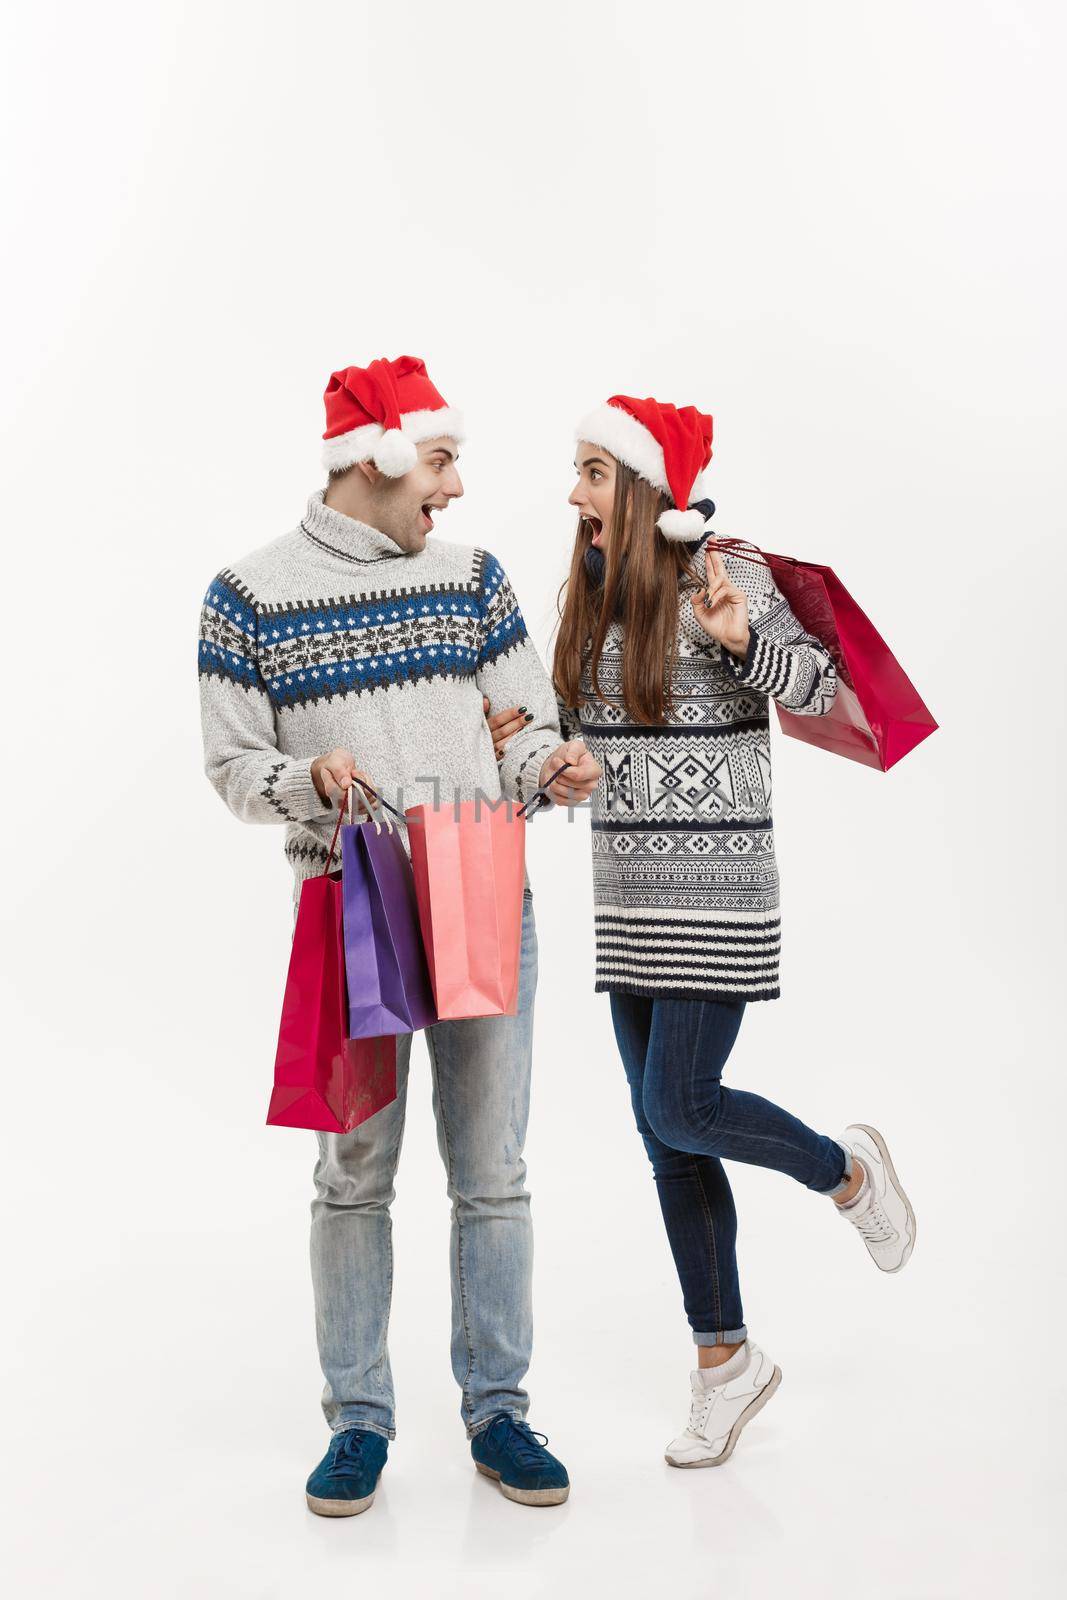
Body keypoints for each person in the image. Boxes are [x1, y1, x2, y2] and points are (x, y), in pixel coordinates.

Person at [197, 356, 599, 1514]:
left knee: (492, 1172)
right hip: (354, 908)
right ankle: (358, 1421)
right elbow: (230, 767)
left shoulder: (472, 579)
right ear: (372, 460)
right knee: (353, 1175)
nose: (458, 488)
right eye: (441, 461)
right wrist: (306, 780)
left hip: (480, 896)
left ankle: (499, 1412)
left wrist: (551, 763)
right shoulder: (248, 594)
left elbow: (519, 723)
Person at [499, 391, 916, 1470]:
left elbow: (825, 690)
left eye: (592, 471)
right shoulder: (587, 596)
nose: (574, 492)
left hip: (719, 891)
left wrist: (743, 644)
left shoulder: (727, 571)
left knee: (677, 1102)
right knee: (665, 1136)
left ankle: (845, 1172)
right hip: (628, 897)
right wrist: (544, 766)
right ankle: (723, 1362)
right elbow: (576, 756)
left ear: (640, 487)